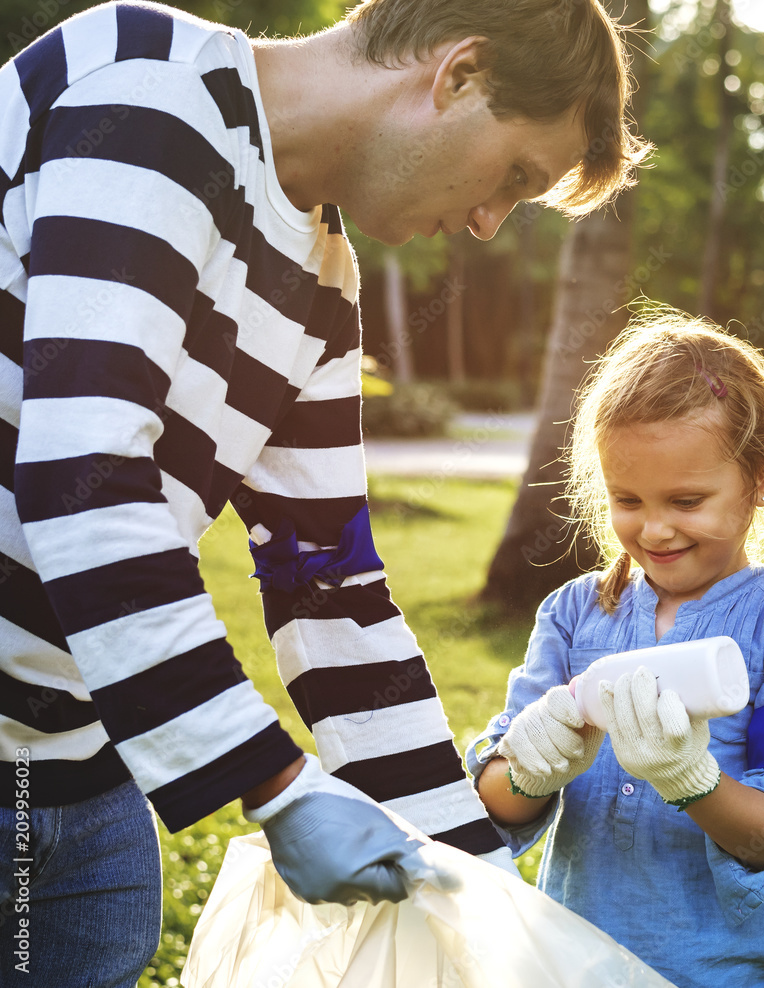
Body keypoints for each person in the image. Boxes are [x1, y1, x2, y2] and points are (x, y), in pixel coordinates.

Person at [0, 0, 649, 983]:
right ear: (458, 74)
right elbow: (82, 474)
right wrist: (280, 788)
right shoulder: (149, 93)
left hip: (79, 765)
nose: (485, 224)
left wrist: (477, 900)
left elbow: (326, 585)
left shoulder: (322, 282)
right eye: (513, 176)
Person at [468, 311, 764, 986]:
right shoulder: (571, 616)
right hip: (570, 968)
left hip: (713, 973)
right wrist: (533, 764)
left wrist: (688, 778)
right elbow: (495, 802)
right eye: (627, 499)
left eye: (686, 500)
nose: (654, 528)